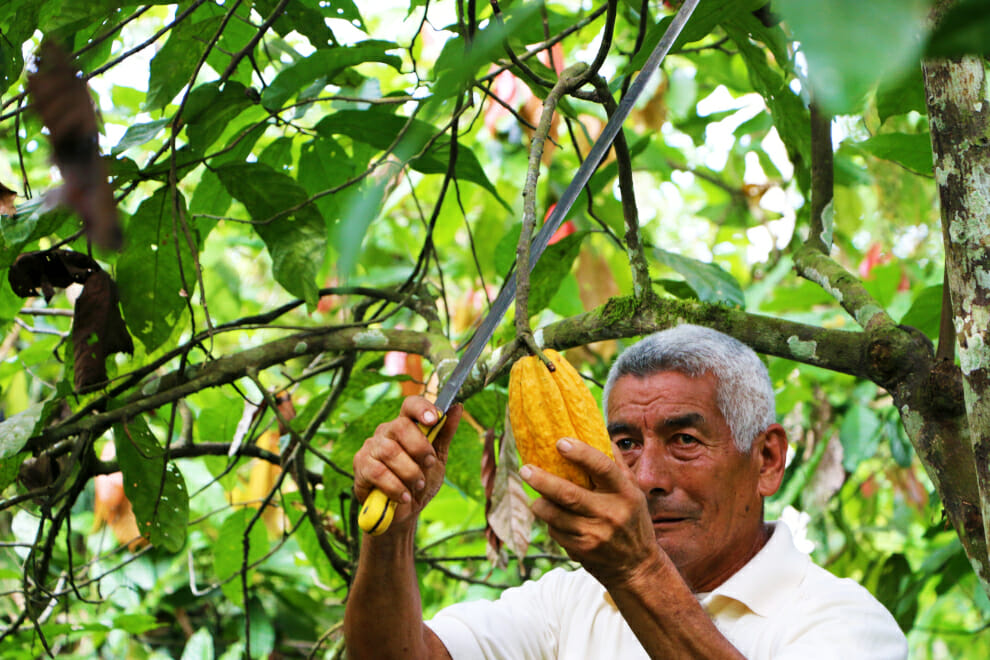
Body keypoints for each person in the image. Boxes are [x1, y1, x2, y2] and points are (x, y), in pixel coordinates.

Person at [344, 324, 908, 659]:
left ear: (766, 459)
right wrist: (392, 533)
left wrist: (638, 572)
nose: (644, 478)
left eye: (684, 439)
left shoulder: (842, 622)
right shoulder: (572, 602)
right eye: (625, 442)